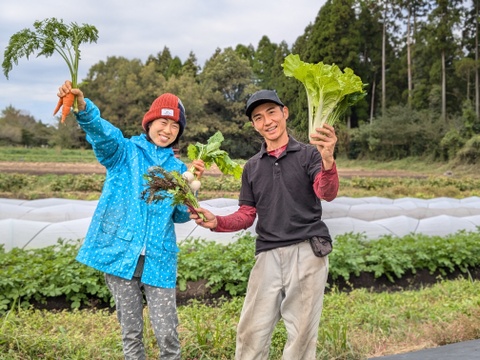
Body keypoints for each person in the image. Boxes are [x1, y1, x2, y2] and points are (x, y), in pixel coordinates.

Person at [56, 80, 205, 360]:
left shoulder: (178, 169)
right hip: (120, 254)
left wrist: (193, 185)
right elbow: (103, 134)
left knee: (167, 333)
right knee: (131, 332)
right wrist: (84, 109)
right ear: (149, 123)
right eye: (162, 122)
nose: (168, 130)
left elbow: (181, 215)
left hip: (159, 257)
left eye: (175, 126)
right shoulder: (124, 153)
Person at [190, 89, 339, 359]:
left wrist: (328, 160)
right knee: (251, 332)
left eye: (272, 112)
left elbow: (325, 192)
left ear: (285, 113)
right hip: (268, 253)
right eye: (258, 117)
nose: (267, 121)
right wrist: (216, 221)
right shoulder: (252, 167)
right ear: (254, 125)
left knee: (302, 334)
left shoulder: (309, 155)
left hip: (307, 251)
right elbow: (247, 214)